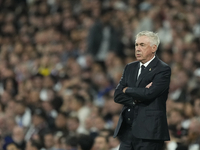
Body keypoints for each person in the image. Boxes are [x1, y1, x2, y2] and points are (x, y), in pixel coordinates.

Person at [113, 31, 171, 150]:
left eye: (142, 45)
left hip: (149, 133)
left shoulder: (162, 69)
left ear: (154, 48)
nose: (137, 49)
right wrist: (137, 96)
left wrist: (127, 89)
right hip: (127, 131)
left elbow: (149, 93)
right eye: (136, 45)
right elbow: (117, 95)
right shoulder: (130, 67)